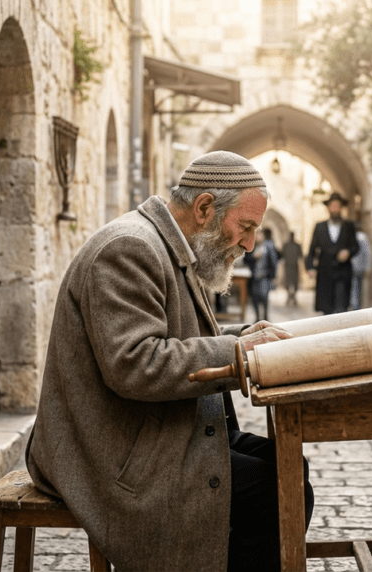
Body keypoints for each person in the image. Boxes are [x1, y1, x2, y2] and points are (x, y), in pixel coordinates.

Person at [25, 150, 314, 572]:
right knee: (275, 491)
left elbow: (179, 340)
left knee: (289, 467)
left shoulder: (166, 245)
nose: (251, 244)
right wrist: (237, 353)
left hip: (152, 430)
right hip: (112, 451)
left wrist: (241, 338)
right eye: (246, 227)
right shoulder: (129, 248)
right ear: (204, 208)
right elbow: (135, 362)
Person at [305, 192, 359, 314]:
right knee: (327, 309)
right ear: (328, 208)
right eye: (332, 206)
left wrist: (348, 252)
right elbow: (312, 249)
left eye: (337, 206)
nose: (335, 208)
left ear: (341, 208)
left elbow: (355, 246)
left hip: (343, 272)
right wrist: (310, 267)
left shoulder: (349, 226)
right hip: (325, 272)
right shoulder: (320, 227)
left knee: (341, 307)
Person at [244, 228, 279, 322]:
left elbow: (273, 262)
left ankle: (266, 317)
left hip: (264, 276)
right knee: (254, 298)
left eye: (260, 235)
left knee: (264, 297)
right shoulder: (251, 248)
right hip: (254, 276)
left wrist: (273, 276)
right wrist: (253, 257)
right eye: (256, 235)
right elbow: (246, 259)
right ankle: (257, 317)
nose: (258, 237)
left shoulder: (268, 247)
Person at [349, 224, 371, 310]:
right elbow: (368, 253)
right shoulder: (363, 236)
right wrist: (368, 266)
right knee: (358, 288)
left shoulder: (356, 236)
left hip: (353, 266)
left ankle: (354, 307)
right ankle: (356, 306)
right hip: (360, 267)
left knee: (354, 288)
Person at [279, 231, 303, 306]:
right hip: (288, 266)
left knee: (295, 283)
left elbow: (301, 255)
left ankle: (294, 297)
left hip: (295, 267)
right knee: (287, 282)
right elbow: (282, 255)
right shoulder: (285, 245)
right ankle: (289, 297)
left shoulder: (297, 245)